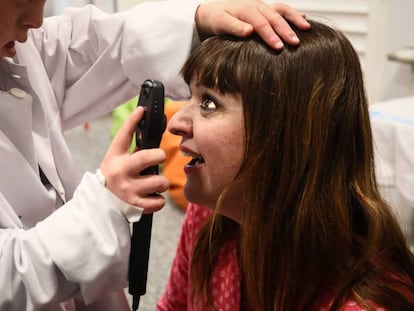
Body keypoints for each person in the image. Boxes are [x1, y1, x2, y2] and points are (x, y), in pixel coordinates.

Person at [0, 0, 310, 309]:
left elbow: (91, 45)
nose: (37, 21)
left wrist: (198, 20)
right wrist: (101, 208)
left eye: (209, 103)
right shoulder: (203, 223)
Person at [157, 21, 414, 311]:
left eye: (209, 103)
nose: (176, 123)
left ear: (287, 136)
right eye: (190, 96)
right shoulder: (209, 217)